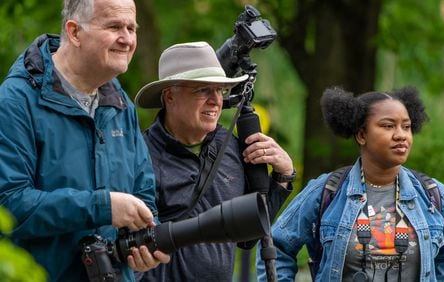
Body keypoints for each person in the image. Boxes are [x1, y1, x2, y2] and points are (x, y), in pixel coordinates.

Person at [0, 0, 170, 281]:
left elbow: (144, 196)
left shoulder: (121, 106)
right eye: (114, 26)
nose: (127, 39)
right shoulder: (15, 102)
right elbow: (8, 205)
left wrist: (145, 244)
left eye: (131, 28)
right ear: (75, 32)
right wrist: (102, 207)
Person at [257, 86, 444, 281]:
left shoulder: (434, 195)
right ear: (362, 135)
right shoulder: (325, 191)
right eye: (388, 126)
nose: (401, 135)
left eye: (406, 127)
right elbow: (276, 246)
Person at [133, 41, 295, 281]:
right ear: (169, 96)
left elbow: (248, 237)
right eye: (202, 90)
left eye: (219, 90)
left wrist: (282, 177)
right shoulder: (139, 157)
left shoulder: (231, 146)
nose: (216, 100)